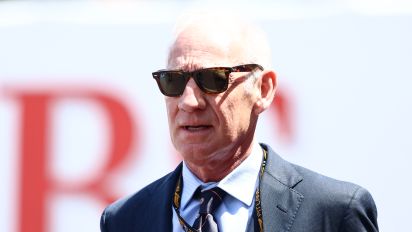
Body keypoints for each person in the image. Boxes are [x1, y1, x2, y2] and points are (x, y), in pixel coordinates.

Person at [100, 12, 378, 232]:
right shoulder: (123, 219)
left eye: (213, 79)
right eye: (173, 80)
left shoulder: (333, 212)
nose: (188, 101)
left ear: (264, 89)